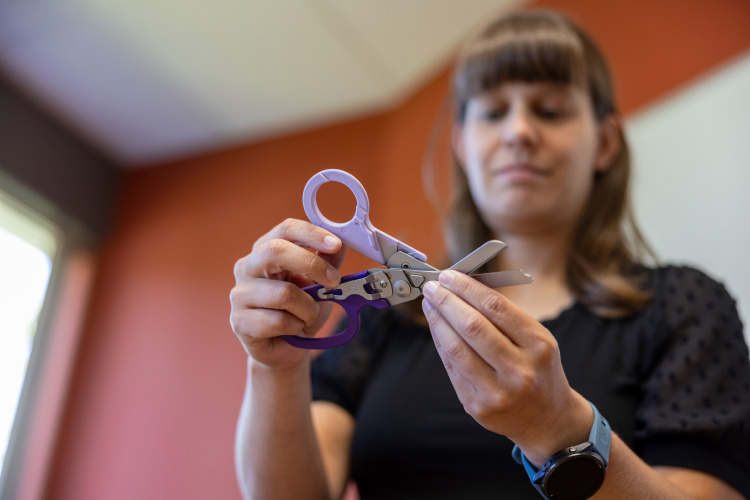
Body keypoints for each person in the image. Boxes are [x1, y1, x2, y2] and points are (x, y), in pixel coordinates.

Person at [229, 9, 750, 500]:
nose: (519, 132)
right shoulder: (386, 324)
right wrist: (274, 368)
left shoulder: (682, 307)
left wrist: (562, 433)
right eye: (493, 112)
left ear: (606, 142)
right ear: (462, 145)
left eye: (550, 110)